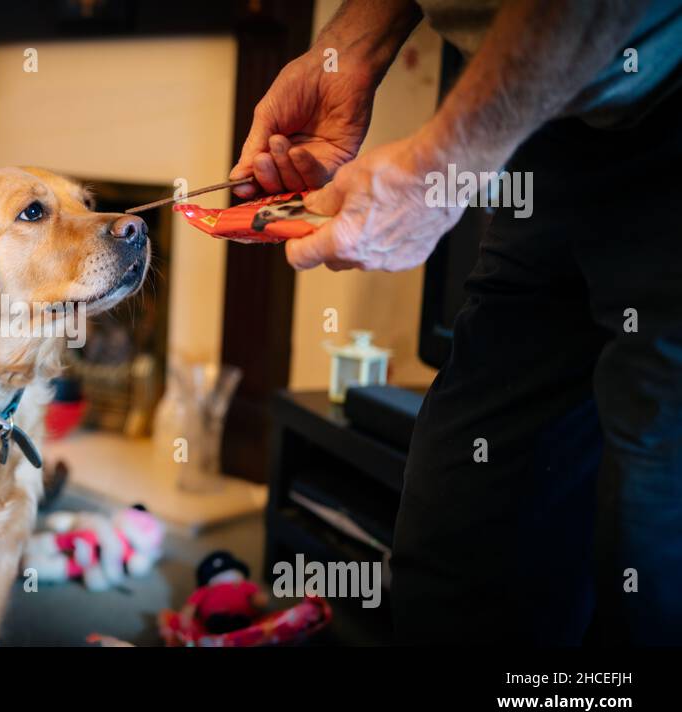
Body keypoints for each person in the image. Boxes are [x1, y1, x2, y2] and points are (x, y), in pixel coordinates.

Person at [231, 0, 682, 645]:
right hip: (555, 123)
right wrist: (351, 48)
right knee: (460, 530)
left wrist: (441, 167)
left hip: (663, 114)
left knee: (651, 554)